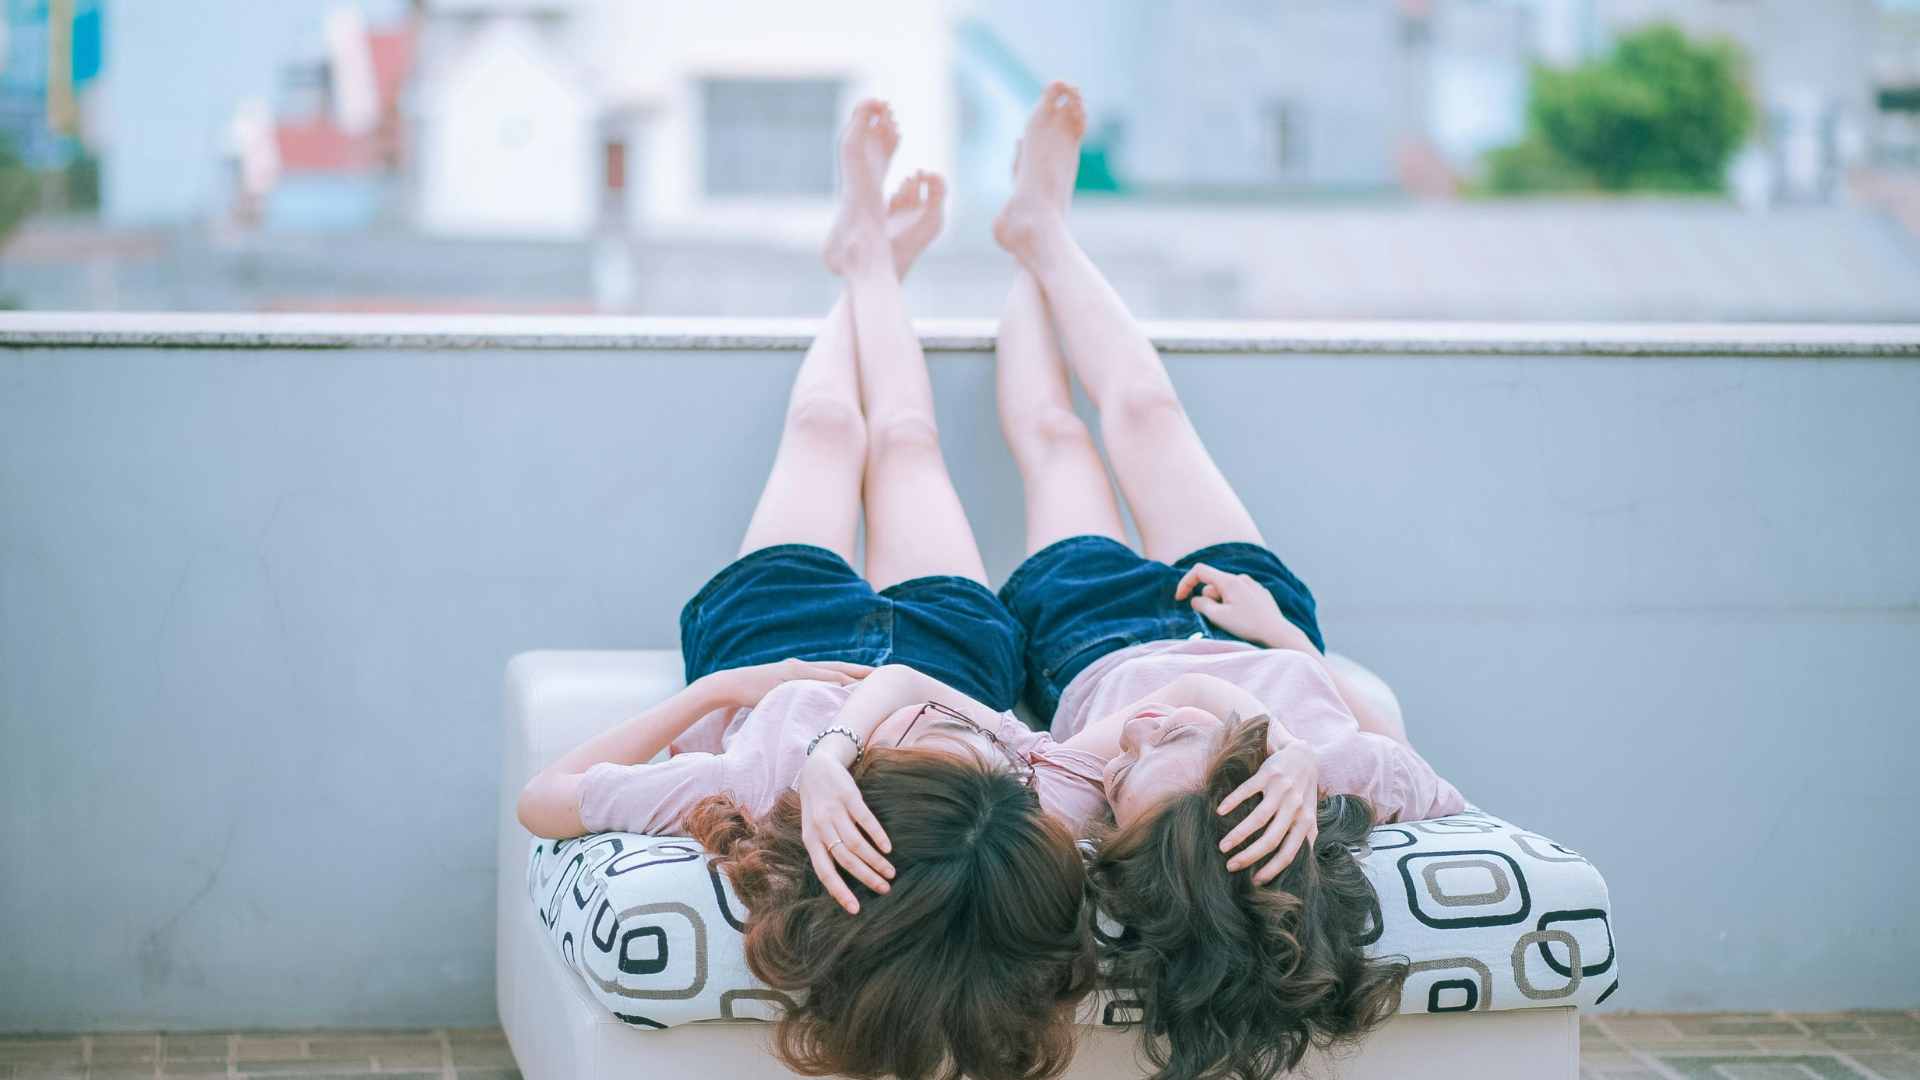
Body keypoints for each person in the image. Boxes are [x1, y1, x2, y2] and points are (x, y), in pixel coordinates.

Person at [516, 100, 1099, 1080]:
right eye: (966, 757)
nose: (949, 740)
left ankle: (865, 254)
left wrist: (717, 696)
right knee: (907, 442)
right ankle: (874, 262)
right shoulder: (1022, 819)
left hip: (772, 643)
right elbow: (1110, 738)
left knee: (830, 426)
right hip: (952, 645)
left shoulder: (757, 789)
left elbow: (545, 801)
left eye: (929, 755)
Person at [989, 82, 1468, 1080]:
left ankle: (1022, 251)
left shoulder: (1081, 802)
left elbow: (1034, 794)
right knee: (1149, 410)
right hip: (1247, 618)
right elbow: (1437, 788)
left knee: (1058, 441)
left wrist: (1118, 743)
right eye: (1197, 751)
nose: (1162, 727)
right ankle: (1045, 231)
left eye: (1138, 761)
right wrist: (1296, 681)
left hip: (1090, 639)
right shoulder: (1328, 780)